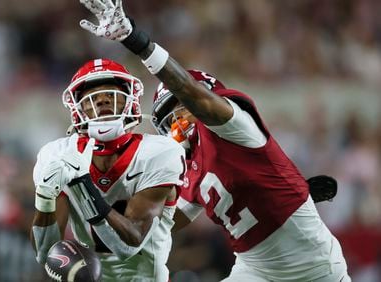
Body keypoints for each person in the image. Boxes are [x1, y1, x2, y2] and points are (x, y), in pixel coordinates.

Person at [78, 1, 350, 281]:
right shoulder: (187, 163)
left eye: (181, 107)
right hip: (255, 267)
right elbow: (162, 224)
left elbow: (191, 94)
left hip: (313, 263)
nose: (176, 122)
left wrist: (134, 40)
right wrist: (102, 216)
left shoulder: (234, 125)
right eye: (168, 118)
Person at [30, 58, 185, 281]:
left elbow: (127, 246)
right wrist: (44, 196)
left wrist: (82, 184)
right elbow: (45, 253)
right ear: (78, 109)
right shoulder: (56, 154)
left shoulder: (159, 153)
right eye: (92, 99)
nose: (102, 101)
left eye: (112, 95)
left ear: (130, 101)